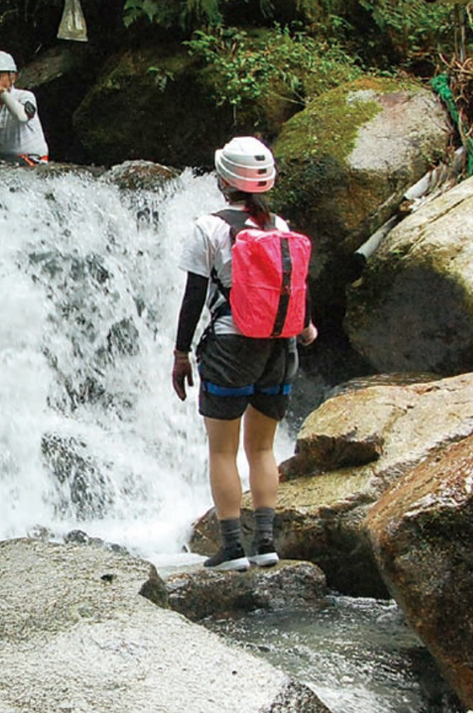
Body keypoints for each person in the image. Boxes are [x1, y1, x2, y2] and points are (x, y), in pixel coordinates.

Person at [170, 136, 318, 572]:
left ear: (223, 181)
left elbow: (193, 298)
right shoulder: (282, 226)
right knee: (262, 449)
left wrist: (181, 355)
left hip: (232, 345)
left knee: (222, 451)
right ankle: (267, 544)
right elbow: (296, 286)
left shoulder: (209, 228)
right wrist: (307, 327)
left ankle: (232, 547)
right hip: (280, 345)